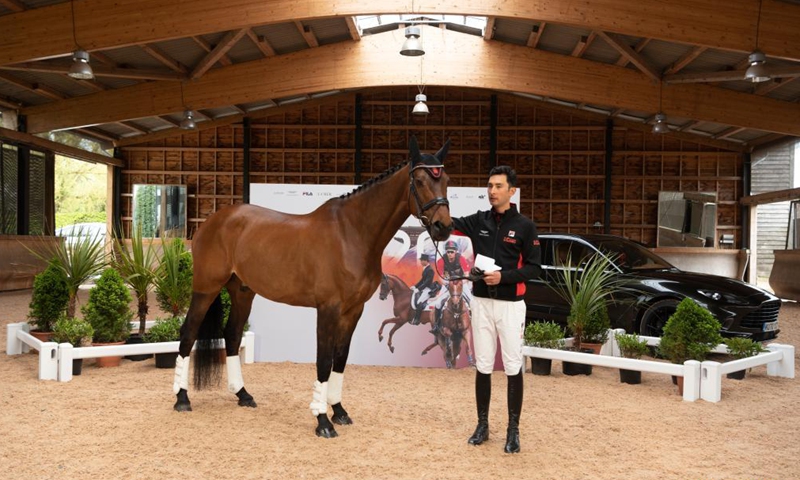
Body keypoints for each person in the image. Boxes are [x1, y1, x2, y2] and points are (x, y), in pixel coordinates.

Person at [451, 165, 541, 454]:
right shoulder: (478, 220)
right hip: (481, 303)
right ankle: (482, 425)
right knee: (484, 366)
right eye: (489, 185)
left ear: (511, 191)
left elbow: (534, 267)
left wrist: (504, 277)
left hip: (511, 307)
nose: (492, 191)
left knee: (513, 367)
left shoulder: (525, 226)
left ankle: (513, 430)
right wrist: (427, 209)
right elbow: (447, 224)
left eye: (498, 186)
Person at [431, 240, 471, 334]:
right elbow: (440, 277)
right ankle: (436, 325)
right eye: (448, 251)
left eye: (452, 252)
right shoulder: (441, 261)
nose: (450, 254)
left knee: (472, 301)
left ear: (456, 251)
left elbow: (467, 275)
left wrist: (460, 283)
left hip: (461, 282)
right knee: (437, 304)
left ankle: (476, 322)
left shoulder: (461, 259)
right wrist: (447, 284)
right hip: (448, 283)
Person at [409, 254, 435, 325]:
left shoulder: (430, 270)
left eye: (421, 261)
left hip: (428, 289)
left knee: (419, 302)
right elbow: (422, 280)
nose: (420, 262)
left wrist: (418, 289)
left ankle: (417, 320)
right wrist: (415, 286)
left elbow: (427, 282)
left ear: (426, 261)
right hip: (424, 288)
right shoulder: (426, 268)